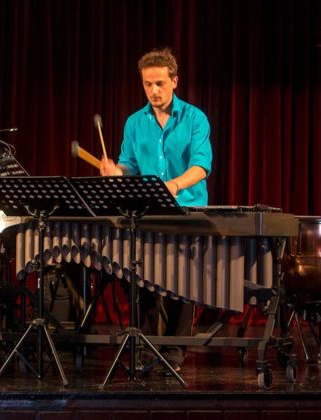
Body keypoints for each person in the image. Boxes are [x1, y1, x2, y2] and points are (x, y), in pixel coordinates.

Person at [100, 47, 213, 372]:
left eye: (160, 83)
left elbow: (201, 166)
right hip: (147, 212)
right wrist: (116, 171)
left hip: (186, 212)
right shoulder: (134, 123)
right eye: (148, 84)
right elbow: (129, 166)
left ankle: (175, 352)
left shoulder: (194, 118)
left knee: (183, 284)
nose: (154, 91)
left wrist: (174, 185)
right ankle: (147, 349)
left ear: (175, 81)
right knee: (144, 281)